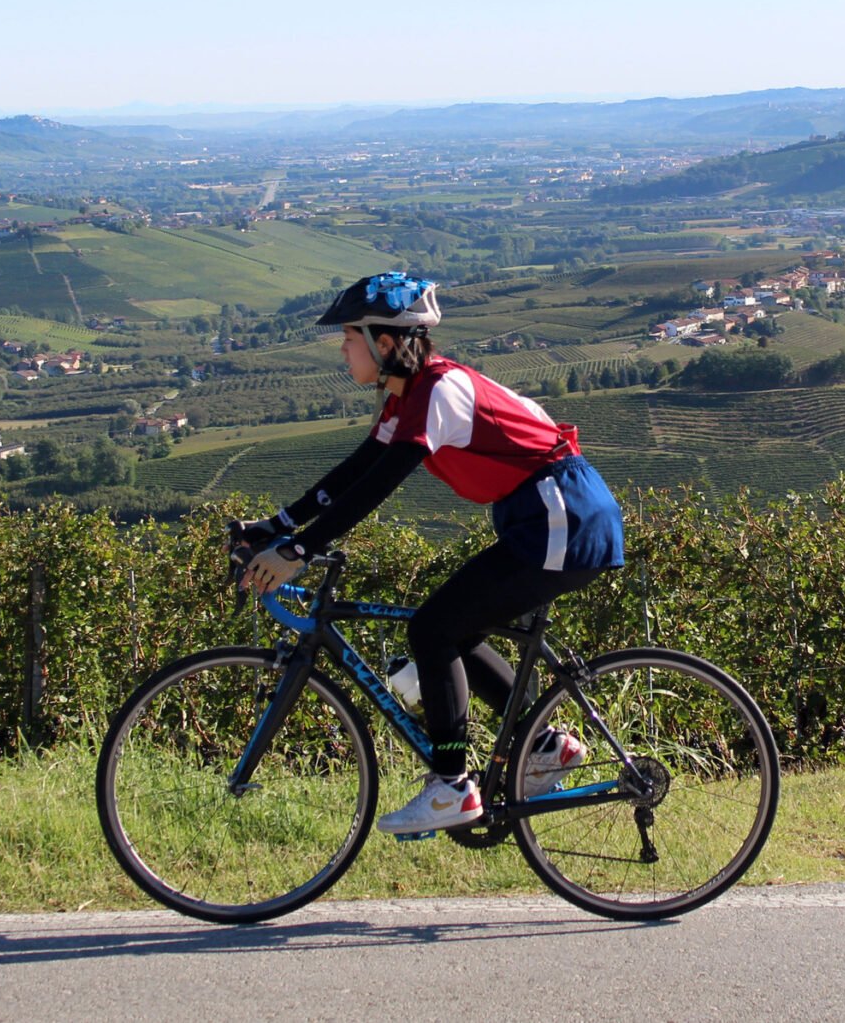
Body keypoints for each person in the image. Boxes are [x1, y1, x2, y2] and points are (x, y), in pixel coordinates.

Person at [237, 272, 625, 835]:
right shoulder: (406, 396)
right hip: (542, 516)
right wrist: (275, 526)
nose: (342, 350)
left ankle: (451, 785)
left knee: (433, 631)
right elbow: (354, 472)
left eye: (349, 339)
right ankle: (544, 746)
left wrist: (297, 550)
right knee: (452, 630)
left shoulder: (438, 390)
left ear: (385, 343)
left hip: (563, 514)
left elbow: (380, 485)